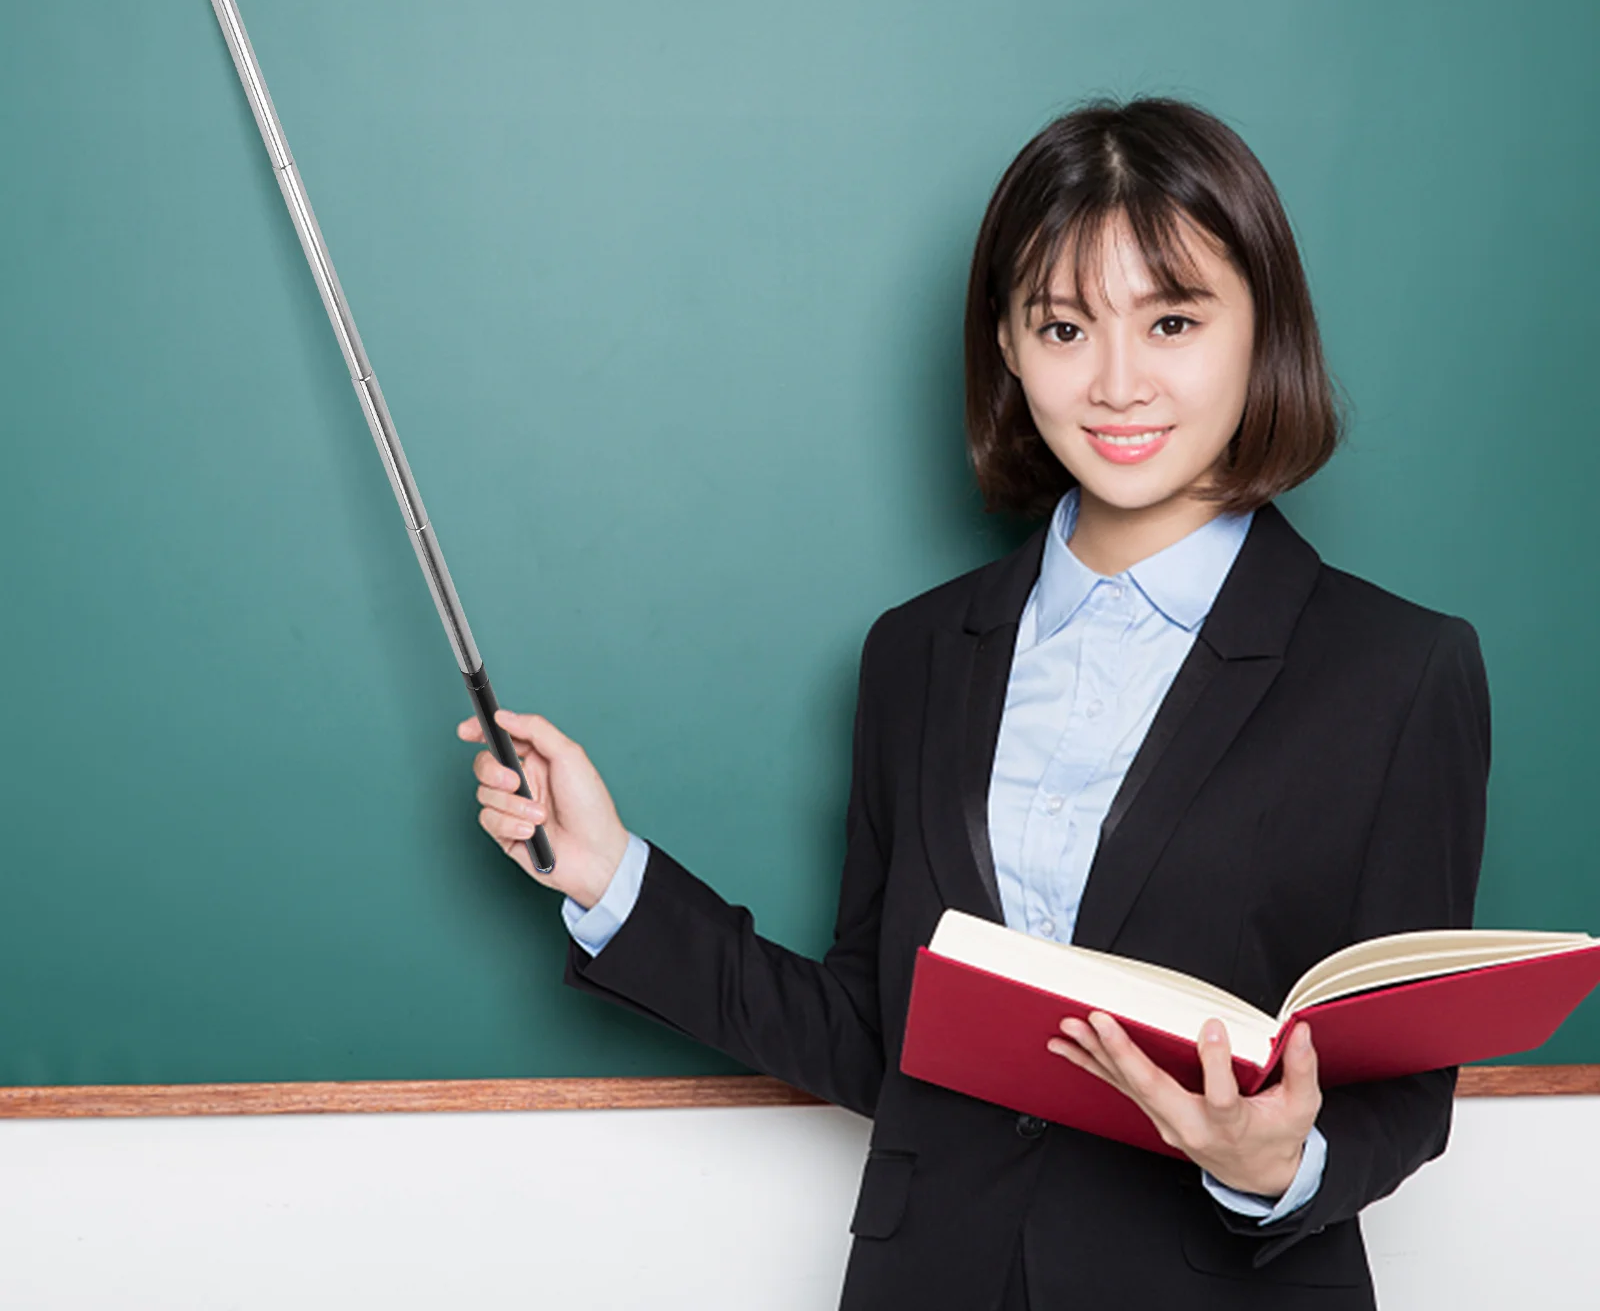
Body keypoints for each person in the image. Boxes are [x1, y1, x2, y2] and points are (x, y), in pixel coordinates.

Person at [458, 98, 1490, 1310]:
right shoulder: (917, 655)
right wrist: (608, 876)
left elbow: (1404, 1097)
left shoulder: (1397, 670)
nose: (1115, 382)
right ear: (1005, 342)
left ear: (1260, 322)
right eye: (1062, 325)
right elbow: (873, 1032)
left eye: (1171, 319)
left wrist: (1280, 1165)